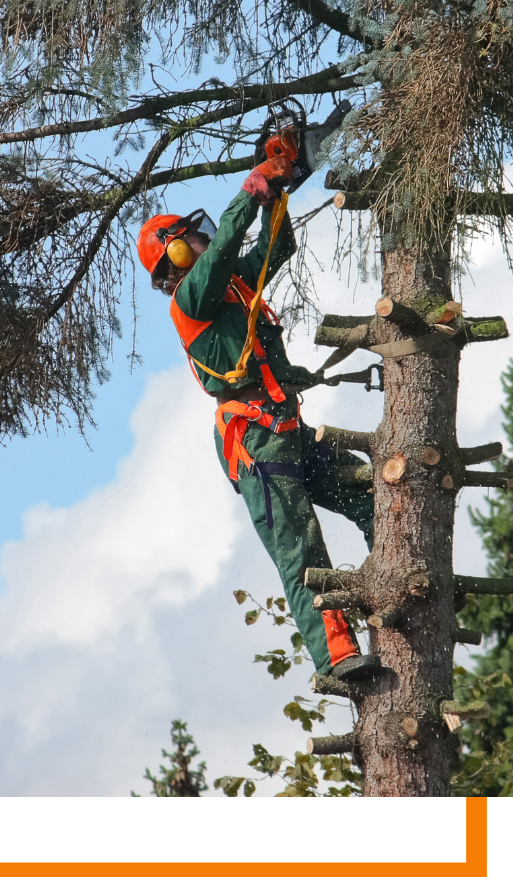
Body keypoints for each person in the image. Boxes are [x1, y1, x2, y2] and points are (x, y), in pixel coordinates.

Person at [136, 153, 376, 683]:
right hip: (257, 447)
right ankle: (337, 658)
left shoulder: (233, 289)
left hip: (288, 431)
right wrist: (254, 187)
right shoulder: (190, 299)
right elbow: (224, 247)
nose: (201, 239)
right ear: (176, 252)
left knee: (369, 491)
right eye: (190, 237)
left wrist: (284, 186)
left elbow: (276, 245)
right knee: (301, 549)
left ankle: (391, 582)